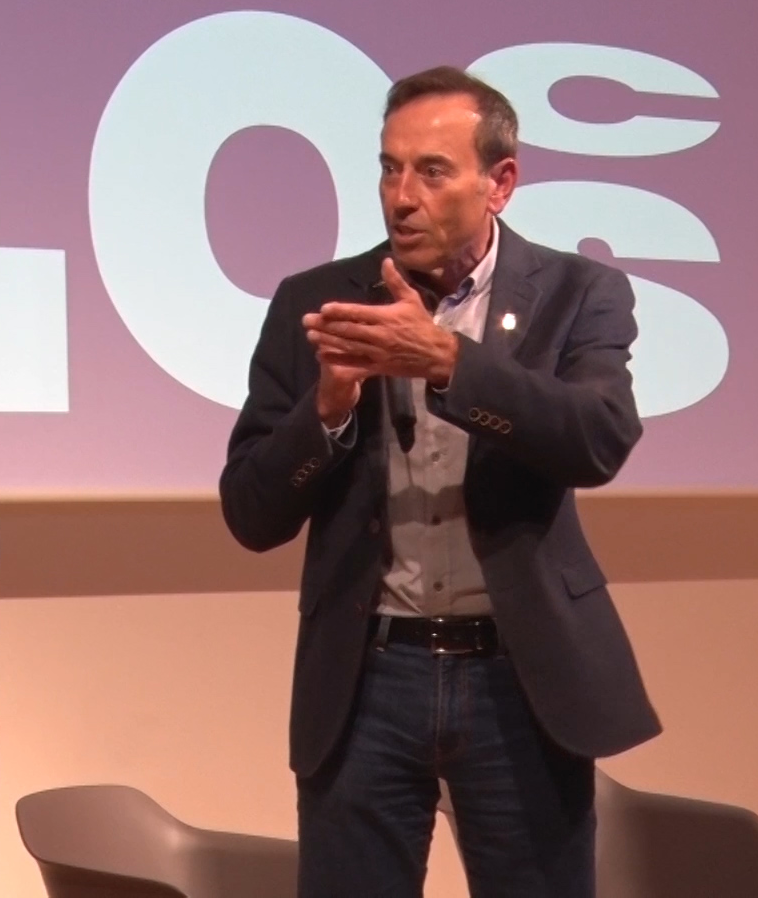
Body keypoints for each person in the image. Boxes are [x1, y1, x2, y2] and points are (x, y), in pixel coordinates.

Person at [219, 67, 661, 897]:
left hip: (518, 677)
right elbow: (249, 511)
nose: (402, 198)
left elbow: (599, 439)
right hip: (368, 677)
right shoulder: (317, 302)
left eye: (431, 172)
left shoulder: (577, 293)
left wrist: (452, 362)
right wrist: (328, 409)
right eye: (389, 169)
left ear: (501, 182)